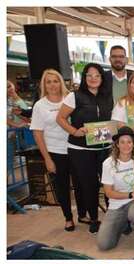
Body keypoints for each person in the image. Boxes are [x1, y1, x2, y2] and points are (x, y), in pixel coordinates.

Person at [56, 62, 114, 233]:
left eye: (97, 75)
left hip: (104, 149)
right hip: (81, 150)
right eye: (89, 75)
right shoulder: (75, 96)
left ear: (102, 78)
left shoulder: (107, 97)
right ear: (84, 78)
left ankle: (112, 218)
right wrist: (74, 131)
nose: (93, 78)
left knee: (109, 184)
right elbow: (60, 118)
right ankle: (94, 219)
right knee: (89, 186)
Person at [30, 68, 79, 231]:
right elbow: (38, 134)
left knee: (81, 184)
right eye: (48, 81)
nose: (52, 85)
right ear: (44, 84)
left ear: (61, 82)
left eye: (55, 80)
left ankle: (84, 213)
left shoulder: (70, 99)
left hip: (75, 149)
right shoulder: (40, 105)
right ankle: (68, 218)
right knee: (62, 187)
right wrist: (47, 159)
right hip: (55, 152)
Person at [96, 126, 134, 250]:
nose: (126, 145)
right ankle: (123, 223)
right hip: (116, 204)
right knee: (104, 245)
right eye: (122, 142)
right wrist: (130, 194)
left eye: (129, 142)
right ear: (117, 145)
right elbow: (108, 192)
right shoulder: (108, 163)